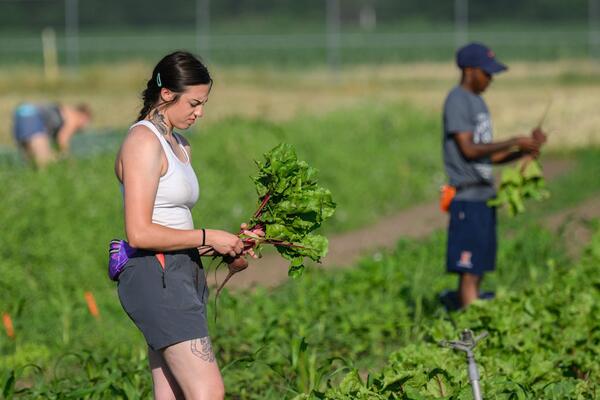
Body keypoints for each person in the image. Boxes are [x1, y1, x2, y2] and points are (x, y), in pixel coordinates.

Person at [114, 51, 261, 400]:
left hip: (181, 270)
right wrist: (209, 236)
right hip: (156, 274)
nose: (200, 112)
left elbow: (173, 226)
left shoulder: (179, 145)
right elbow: (139, 232)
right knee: (207, 392)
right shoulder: (143, 142)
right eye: (194, 102)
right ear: (167, 94)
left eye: (204, 103)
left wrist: (228, 246)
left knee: (173, 395)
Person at [442, 42, 547, 309]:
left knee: (478, 268)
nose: (491, 78)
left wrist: (523, 151)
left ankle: (468, 319)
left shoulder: (478, 103)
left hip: (484, 195)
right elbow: (468, 149)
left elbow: (489, 156)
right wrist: (513, 140)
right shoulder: (458, 100)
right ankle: (469, 324)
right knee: (469, 269)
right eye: (486, 73)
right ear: (469, 70)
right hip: (467, 196)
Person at [12, 102, 92, 168]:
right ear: (83, 116)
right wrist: (68, 158)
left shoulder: (63, 110)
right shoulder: (73, 118)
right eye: (86, 121)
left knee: (31, 161)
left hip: (21, 115)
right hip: (33, 118)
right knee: (44, 162)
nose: (84, 126)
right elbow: (62, 139)